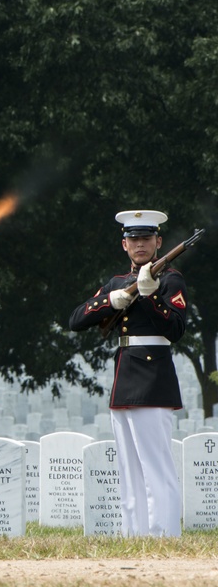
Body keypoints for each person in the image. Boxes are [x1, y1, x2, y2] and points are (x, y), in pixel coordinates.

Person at [69, 210, 185, 537]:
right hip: (124, 379)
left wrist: (148, 295)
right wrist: (110, 301)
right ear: (124, 244)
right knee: (129, 469)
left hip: (153, 379)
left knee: (156, 467)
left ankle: (163, 535)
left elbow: (175, 329)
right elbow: (77, 319)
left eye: (147, 238)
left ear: (158, 242)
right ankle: (133, 533)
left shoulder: (171, 280)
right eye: (133, 239)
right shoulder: (117, 283)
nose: (140, 244)